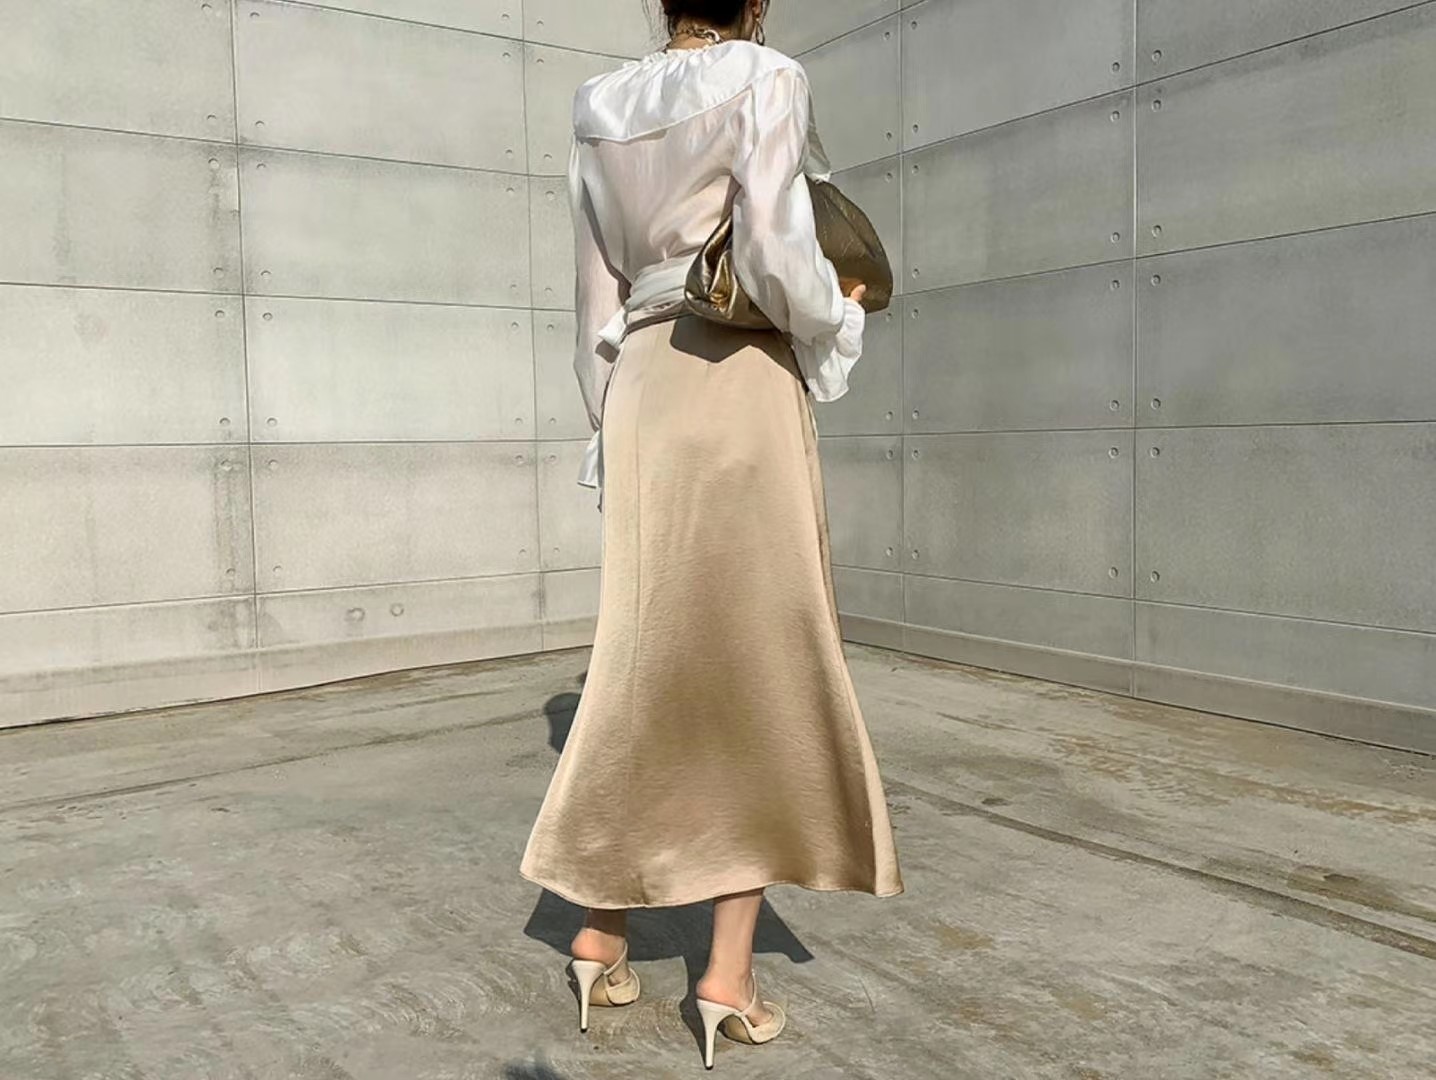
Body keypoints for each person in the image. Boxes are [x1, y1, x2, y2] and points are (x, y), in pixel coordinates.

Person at [519, 0, 904, 1067]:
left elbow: (591, 296)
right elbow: (775, 252)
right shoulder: (766, 77)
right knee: (759, 666)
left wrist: (610, 424)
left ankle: (598, 935)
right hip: (737, 373)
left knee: (644, 664)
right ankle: (726, 981)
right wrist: (839, 315)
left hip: (641, 379)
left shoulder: (598, 103)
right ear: (757, 2)